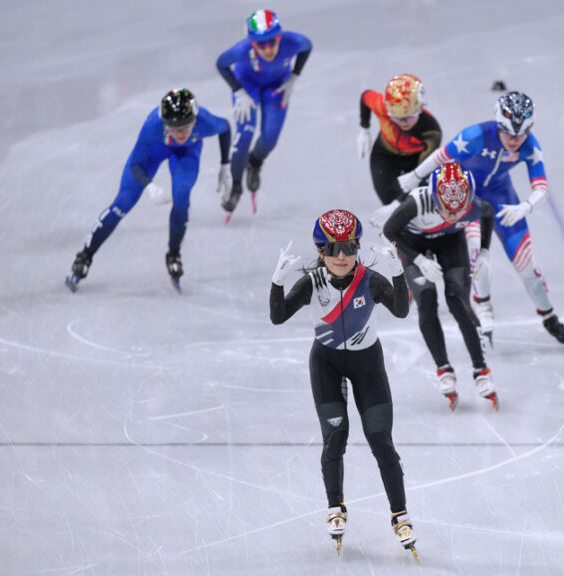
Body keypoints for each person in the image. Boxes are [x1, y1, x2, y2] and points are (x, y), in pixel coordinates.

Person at [268, 209, 418, 559]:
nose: (341, 257)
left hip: (368, 364)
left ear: (357, 247)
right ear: (320, 251)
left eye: (349, 247)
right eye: (332, 249)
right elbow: (278, 317)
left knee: (381, 439)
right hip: (327, 365)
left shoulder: (369, 278)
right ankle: (335, 505)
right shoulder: (314, 281)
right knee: (336, 438)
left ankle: (401, 514)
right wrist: (277, 281)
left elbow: (400, 310)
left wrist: (397, 271)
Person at [395, 91, 564, 351]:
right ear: (499, 125)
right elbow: (442, 156)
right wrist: (415, 176)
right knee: (476, 257)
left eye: (521, 134)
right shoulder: (475, 136)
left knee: (527, 267)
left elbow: (541, 186)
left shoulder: (530, 145)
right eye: (508, 133)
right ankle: (483, 306)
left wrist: (525, 206)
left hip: (505, 204)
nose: (515, 140)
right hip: (467, 203)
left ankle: (549, 317)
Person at [65, 88, 231, 292]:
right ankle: (85, 255)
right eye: (173, 128)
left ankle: (174, 253)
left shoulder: (206, 121)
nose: (179, 134)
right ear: (164, 124)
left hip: (187, 154)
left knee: (181, 197)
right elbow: (136, 165)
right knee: (123, 203)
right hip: (154, 152)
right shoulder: (153, 125)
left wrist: (225, 165)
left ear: (195, 121)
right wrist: (149, 186)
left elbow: (226, 129)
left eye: (184, 128)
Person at [383, 162, 498, 411]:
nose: (454, 215)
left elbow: (488, 215)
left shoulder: (473, 204)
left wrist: (485, 252)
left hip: (450, 244)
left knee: (458, 301)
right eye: (447, 209)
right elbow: (389, 231)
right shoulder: (417, 203)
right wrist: (418, 260)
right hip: (414, 245)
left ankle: (481, 369)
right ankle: (443, 367)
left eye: (460, 210)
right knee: (425, 299)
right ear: (435, 198)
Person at [215, 9, 312, 219]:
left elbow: (308, 47)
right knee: (244, 137)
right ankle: (236, 186)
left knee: (270, 138)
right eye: (261, 44)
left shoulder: (293, 42)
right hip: (246, 85)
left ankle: (255, 162)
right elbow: (221, 64)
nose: (268, 49)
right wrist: (238, 91)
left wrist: (294, 77)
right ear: (252, 42)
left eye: (272, 42)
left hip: (277, 86)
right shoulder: (242, 50)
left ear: (280, 37)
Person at [355, 73, 442, 228]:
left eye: (409, 116)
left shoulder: (431, 132)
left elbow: (423, 173)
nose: (403, 122)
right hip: (384, 156)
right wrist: (364, 128)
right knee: (391, 205)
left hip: (416, 161)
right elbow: (365, 97)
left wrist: (398, 202)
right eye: (395, 117)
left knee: (411, 203)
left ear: (420, 108)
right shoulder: (381, 105)